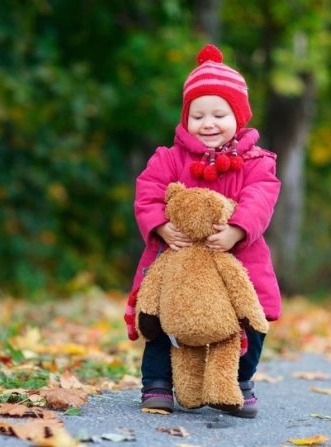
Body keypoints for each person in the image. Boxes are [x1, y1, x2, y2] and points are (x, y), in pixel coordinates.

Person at [123, 43, 281, 418]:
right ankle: (158, 384)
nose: (208, 124)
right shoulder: (169, 158)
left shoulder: (257, 163)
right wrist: (160, 226)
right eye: (197, 116)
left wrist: (237, 229)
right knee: (161, 318)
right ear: (185, 118)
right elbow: (148, 193)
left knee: (252, 318)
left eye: (219, 114)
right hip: (178, 263)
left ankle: (239, 380)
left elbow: (261, 198)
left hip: (238, 259)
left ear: (238, 117)